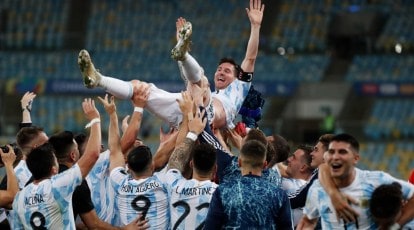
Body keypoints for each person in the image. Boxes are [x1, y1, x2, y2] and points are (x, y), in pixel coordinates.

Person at [77, 0, 264, 130]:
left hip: (208, 114)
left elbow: (251, 58)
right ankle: (98, 79)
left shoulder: (240, 88)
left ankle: (183, 54)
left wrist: (255, 26)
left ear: (237, 77)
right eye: (220, 69)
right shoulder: (211, 92)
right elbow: (190, 81)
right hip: (185, 113)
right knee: (140, 88)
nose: (221, 72)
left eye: (227, 71)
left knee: (201, 82)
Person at [11, 98, 103, 229]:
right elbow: (92, 154)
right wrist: (95, 119)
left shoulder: (19, 199)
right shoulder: (57, 186)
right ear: (54, 169)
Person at [299, 133, 414, 229]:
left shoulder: (376, 180)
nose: (335, 156)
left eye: (342, 152)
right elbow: (308, 221)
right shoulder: (317, 189)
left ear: (355, 158)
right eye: (331, 152)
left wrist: (395, 226)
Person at [204, 140, 293, 229]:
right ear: (265, 165)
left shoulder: (222, 191)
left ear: (239, 162)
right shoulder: (279, 195)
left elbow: (210, 227)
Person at [164, 91, 218, 229]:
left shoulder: (175, 185)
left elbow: (177, 157)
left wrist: (191, 124)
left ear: (191, 163)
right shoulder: (222, 193)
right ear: (215, 169)